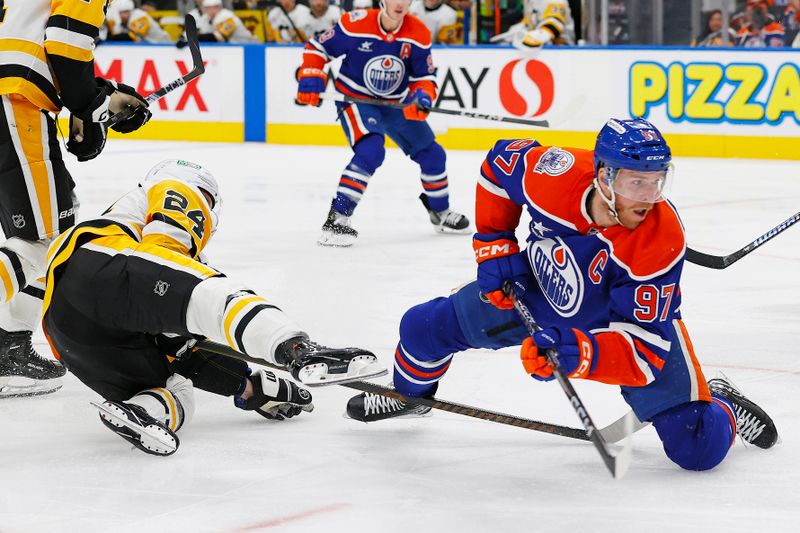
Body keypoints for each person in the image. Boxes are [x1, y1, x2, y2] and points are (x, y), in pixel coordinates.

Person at [346, 119, 779, 471]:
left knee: (697, 445)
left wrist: (580, 354)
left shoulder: (658, 240)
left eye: (656, 182)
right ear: (604, 175)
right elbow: (500, 164)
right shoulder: (555, 174)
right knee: (422, 328)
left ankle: (720, 400)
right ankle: (408, 396)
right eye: (636, 183)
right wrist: (495, 244)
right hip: (538, 288)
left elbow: (645, 353)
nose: (648, 198)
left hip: (620, 324)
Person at [41, 159, 385, 455]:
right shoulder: (176, 188)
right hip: (102, 265)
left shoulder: (135, 223)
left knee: (176, 391)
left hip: (69, 329)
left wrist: (251, 386)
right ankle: (298, 348)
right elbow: (168, 265)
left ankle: (137, 412)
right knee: (217, 296)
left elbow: (187, 351)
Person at [0, 0, 152, 398]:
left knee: (44, 230)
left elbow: (42, 47)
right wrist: (94, 104)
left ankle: (8, 345)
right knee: (46, 238)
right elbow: (66, 48)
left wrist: (96, 98)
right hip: (13, 99)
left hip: (10, 92)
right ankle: (4, 349)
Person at [296, 0, 470, 247]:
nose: (399, 3)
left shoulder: (418, 31)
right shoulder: (355, 23)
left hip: (395, 105)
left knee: (433, 155)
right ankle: (337, 219)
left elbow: (424, 76)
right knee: (371, 150)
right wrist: (312, 76)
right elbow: (317, 48)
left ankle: (440, 213)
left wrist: (420, 97)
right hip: (356, 100)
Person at [491, 0, 575, 52]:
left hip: (561, 51)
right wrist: (512, 34)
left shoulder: (556, 1)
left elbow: (553, 24)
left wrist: (536, 37)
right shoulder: (532, 2)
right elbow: (530, 22)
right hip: (541, 52)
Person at [105, 0, 174, 43]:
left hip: (164, 44)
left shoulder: (140, 15)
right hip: (149, 47)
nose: (123, 15)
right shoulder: (121, 22)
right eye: (121, 12)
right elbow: (115, 35)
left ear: (131, 11)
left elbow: (131, 37)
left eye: (126, 12)